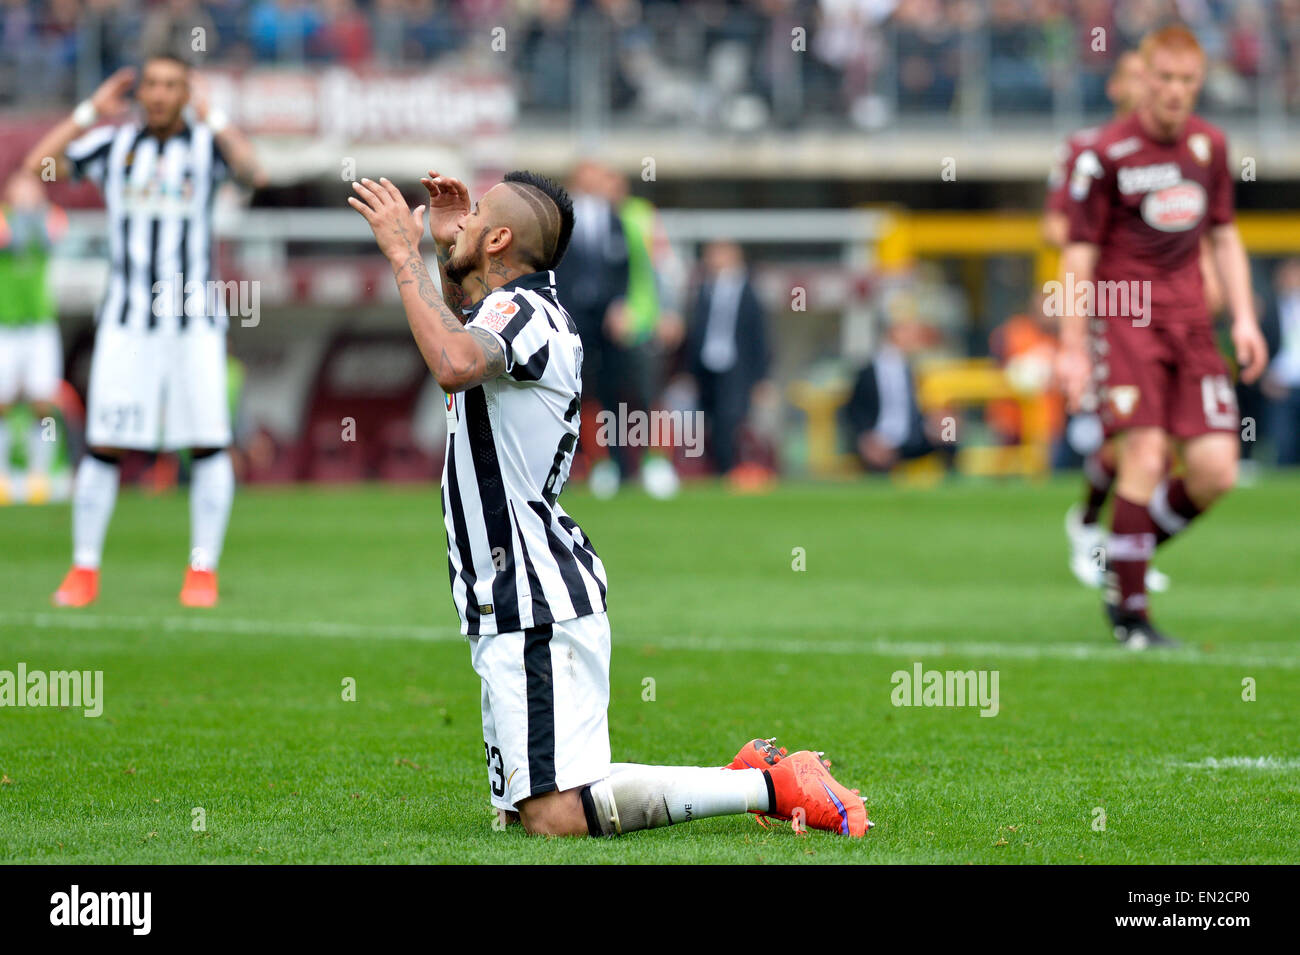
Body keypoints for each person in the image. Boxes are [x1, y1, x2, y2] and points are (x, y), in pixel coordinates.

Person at [348, 169, 868, 837]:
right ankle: (752, 778)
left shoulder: (523, 315)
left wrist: (404, 253)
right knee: (528, 808)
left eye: (477, 214)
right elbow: (464, 325)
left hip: (532, 594)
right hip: (517, 591)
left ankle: (773, 784)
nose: (464, 217)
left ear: (501, 237)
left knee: (554, 814)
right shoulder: (525, 309)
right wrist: (451, 255)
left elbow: (452, 358)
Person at [24, 54, 264, 608]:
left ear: (187, 93)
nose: (158, 94)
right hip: (126, 322)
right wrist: (88, 112)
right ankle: (84, 569)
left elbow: (255, 172)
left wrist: (217, 116)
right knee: (106, 443)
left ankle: (201, 569)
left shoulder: (207, 146)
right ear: (139, 93)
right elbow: (39, 166)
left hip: (194, 321)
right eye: (151, 84)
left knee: (208, 443)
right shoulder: (114, 144)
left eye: (171, 85)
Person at [1057, 26, 1269, 648]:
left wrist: (1248, 317)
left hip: (1193, 323)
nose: (1176, 91)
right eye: (1166, 79)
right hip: (1125, 319)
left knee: (1215, 472)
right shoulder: (1103, 154)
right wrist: (1072, 347)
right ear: (1142, 79)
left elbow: (1224, 234)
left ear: (1198, 82)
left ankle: (1123, 554)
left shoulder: (1209, 147)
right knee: (1144, 457)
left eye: (1188, 81)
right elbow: (1076, 255)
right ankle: (1132, 616)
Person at [1046, 50, 1198, 593]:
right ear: (1118, 87)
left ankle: (1121, 543)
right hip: (1110, 299)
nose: (1157, 88)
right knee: (1133, 437)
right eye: (1143, 77)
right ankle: (1094, 528)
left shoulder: (1182, 150)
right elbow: (1056, 228)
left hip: (1165, 306)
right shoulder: (1090, 150)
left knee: (1162, 440)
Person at [0, 170, 68, 505]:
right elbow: (8, 238)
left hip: (40, 324)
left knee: (43, 402)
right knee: (3, 402)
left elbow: (51, 235)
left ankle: (40, 472)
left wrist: (32, 212)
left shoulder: (52, 215)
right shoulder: (3, 217)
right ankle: (2, 475)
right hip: (5, 324)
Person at [685, 240, 772, 476]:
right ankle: (716, 469)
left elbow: (759, 335)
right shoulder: (704, 288)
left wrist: (761, 377)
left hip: (736, 367)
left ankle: (728, 470)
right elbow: (696, 332)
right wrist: (691, 371)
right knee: (709, 420)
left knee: (729, 418)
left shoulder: (748, 290)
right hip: (707, 365)